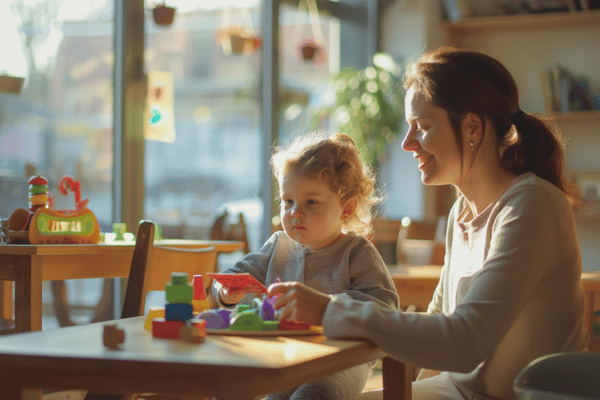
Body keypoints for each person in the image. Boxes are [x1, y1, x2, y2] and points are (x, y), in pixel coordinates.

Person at [268, 47, 590, 400]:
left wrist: (331, 310)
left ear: (472, 127)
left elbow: (463, 342)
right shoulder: (461, 212)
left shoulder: (532, 203)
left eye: (421, 127)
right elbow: (438, 320)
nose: (407, 144)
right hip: (455, 391)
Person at [212, 132, 399, 400]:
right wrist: (225, 291)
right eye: (288, 201)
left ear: (345, 209)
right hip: (287, 356)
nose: (295, 212)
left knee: (312, 396)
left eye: (311, 202)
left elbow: (385, 306)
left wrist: (327, 306)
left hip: (342, 360)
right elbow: (234, 274)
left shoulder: (356, 252)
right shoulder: (278, 245)